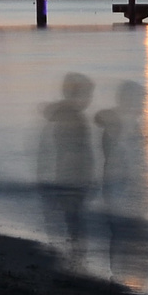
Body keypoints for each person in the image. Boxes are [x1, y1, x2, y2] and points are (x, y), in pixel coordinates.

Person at [95, 81, 148, 288]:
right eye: (141, 100)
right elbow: (128, 162)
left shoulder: (126, 126)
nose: (144, 105)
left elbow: (136, 161)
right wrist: (140, 190)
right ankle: (126, 281)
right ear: (130, 100)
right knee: (130, 238)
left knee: (125, 238)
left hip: (120, 192)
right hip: (122, 193)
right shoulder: (121, 128)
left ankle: (124, 280)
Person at [36, 72, 95, 266]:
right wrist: (89, 176)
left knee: (66, 218)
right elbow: (81, 150)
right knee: (75, 219)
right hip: (71, 177)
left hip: (59, 175)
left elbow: (49, 148)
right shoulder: (75, 118)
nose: (88, 99)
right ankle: (76, 258)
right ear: (77, 94)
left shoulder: (58, 116)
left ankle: (66, 254)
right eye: (87, 94)